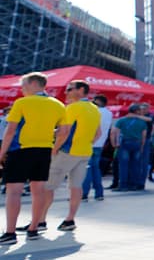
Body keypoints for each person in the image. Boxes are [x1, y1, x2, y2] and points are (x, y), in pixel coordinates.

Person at [1, 72, 66, 242]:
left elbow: (10, 131)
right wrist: (54, 147)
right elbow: (64, 131)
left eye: (24, 86)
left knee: (13, 192)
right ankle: (34, 228)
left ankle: (10, 232)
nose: (22, 89)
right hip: (44, 150)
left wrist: (1, 153)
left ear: (33, 84)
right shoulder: (58, 104)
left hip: (20, 150)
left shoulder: (22, 103)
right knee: (39, 191)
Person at [43, 79, 102, 232]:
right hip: (85, 152)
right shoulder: (94, 108)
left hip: (67, 152)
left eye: (70, 89)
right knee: (76, 187)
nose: (66, 91)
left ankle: (39, 220)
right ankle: (70, 220)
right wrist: (86, 143)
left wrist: (54, 149)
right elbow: (98, 133)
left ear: (81, 90)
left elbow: (64, 132)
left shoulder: (72, 108)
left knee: (48, 187)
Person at [81, 93, 113, 202]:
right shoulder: (109, 113)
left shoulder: (94, 111)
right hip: (100, 144)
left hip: (89, 142)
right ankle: (99, 193)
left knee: (87, 169)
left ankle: (83, 193)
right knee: (95, 169)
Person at [111, 104, 150, 191]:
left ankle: (123, 185)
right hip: (137, 143)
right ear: (136, 111)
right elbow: (144, 136)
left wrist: (114, 143)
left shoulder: (121, 120)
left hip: (124, 143)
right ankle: (134, 184)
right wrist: (142, 146)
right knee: (135, 165)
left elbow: (114, 132)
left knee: (123, 165)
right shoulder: (142, 122)